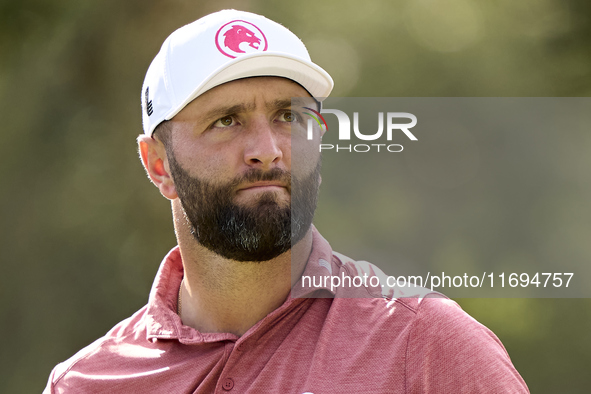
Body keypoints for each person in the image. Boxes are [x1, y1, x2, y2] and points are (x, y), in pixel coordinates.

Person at [44, 9, 529, 393]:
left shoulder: (426, 346)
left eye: (287, 117)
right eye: (226, 121)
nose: (268, 151)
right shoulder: (86, 384)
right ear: (158, 164)